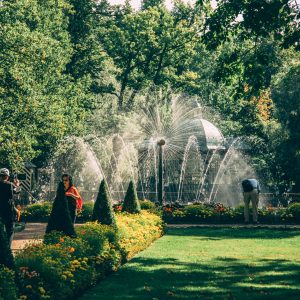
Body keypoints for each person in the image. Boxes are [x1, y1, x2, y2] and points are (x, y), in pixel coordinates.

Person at [0, 168, 20, 247]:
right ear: (7, 177)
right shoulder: (9, 185)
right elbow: (17, 193)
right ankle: (7, 248)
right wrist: (17, 185)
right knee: (10, 230)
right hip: (8, 210)